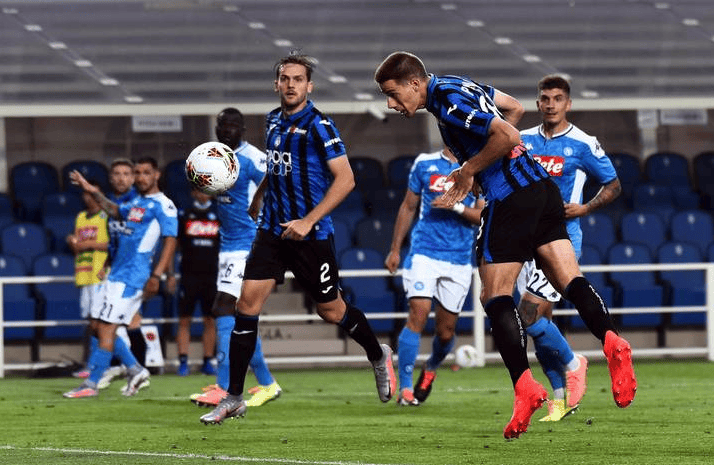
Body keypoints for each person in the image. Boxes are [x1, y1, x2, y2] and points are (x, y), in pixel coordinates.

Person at [374, 52, 636, 439]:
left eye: (392, 93)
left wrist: (470, 169)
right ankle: (612, 340)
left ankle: (525, 388)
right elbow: (513, 108)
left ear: (414, 83)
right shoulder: (460, 83)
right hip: (543, 189)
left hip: (510, 197)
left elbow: (509, 135)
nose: (391, 104)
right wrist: (481, 161)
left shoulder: (446, 100)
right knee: (569, 279)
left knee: (494, 295)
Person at [199, 52, 397, 424]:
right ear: (276, 84)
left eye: (298, 79)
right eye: (285, 79)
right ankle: (234, 397)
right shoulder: (273, 120)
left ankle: (377, 354)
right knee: (246, 306)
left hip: (311, 235)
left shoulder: (320, 126)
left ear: (309, 86)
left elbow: (346, 180)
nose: (291, 85)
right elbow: (276, 169)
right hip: (272, 232)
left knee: (331, 311)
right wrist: (259, 198)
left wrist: (308, 220)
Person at [517, 74, 622, 421]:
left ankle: (575, 362)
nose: (551, 105)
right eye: (545, 99)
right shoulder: (523, 140)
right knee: (539, 326)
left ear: (568, 104)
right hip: (525, 242)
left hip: (562, 241)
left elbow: (613, 184)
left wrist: (586, 207)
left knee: (528, 314)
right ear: (538, 103)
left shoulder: (582, 143)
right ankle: (560, 401)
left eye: (558, 99)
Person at [190, 107, 282, 409]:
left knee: (223, 308)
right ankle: (267, 383)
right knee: (242, 314)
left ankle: (224, 386)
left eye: (233, 125)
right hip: (229, 245)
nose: (227, 129)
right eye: (223, 125)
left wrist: (260, 203)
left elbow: (276, 177)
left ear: (242, 130)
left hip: (249, 243)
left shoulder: (251, 158)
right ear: (217, 129)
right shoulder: (214, 156)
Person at [63, 157, 178, 398]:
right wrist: (91, 190)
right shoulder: (137, 202)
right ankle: (135, 369)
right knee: (97, 327)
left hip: (133, 277)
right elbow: (115, 211)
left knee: (106, 328)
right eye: (138, 173)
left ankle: (91, 384)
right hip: (116, 273)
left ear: (156, 175)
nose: (141, 177)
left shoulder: (164, 205)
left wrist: (158, 275)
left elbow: (170, 240)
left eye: (146, 172)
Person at [384, 147, 484, 406]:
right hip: (424, 252)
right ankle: (406, 388)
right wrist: (395, 249)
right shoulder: (424, 163)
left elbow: (481, 215)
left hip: (458, 260)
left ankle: (430, 368)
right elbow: (408, 206)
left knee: (446, 333)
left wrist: (456, 206)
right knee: (418, 313)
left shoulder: (479, 167)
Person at [66, 179, 110, 380]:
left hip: (101, 274)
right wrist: (73, 243)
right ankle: (95, 364)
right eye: (86, 193)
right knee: (91, 322)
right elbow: (78, 247)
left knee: (97, 322)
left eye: (93, 193)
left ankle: (96, 365)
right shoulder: (81, 217)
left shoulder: (106, 216)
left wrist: (90, 244)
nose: (90, 197)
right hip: (84, 274)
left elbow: (113, 243)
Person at [175, 188, 220, 377]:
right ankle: (183, 362)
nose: (202, 194)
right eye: (198, 190)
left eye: (206, 190)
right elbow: (175, 244)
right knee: (184, 319)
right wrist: (171, 274)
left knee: (210, 320)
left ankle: (208, 361)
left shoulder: (219, 214)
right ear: (193, 192)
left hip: (212, 275)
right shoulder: (184, 214)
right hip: (188, 275)